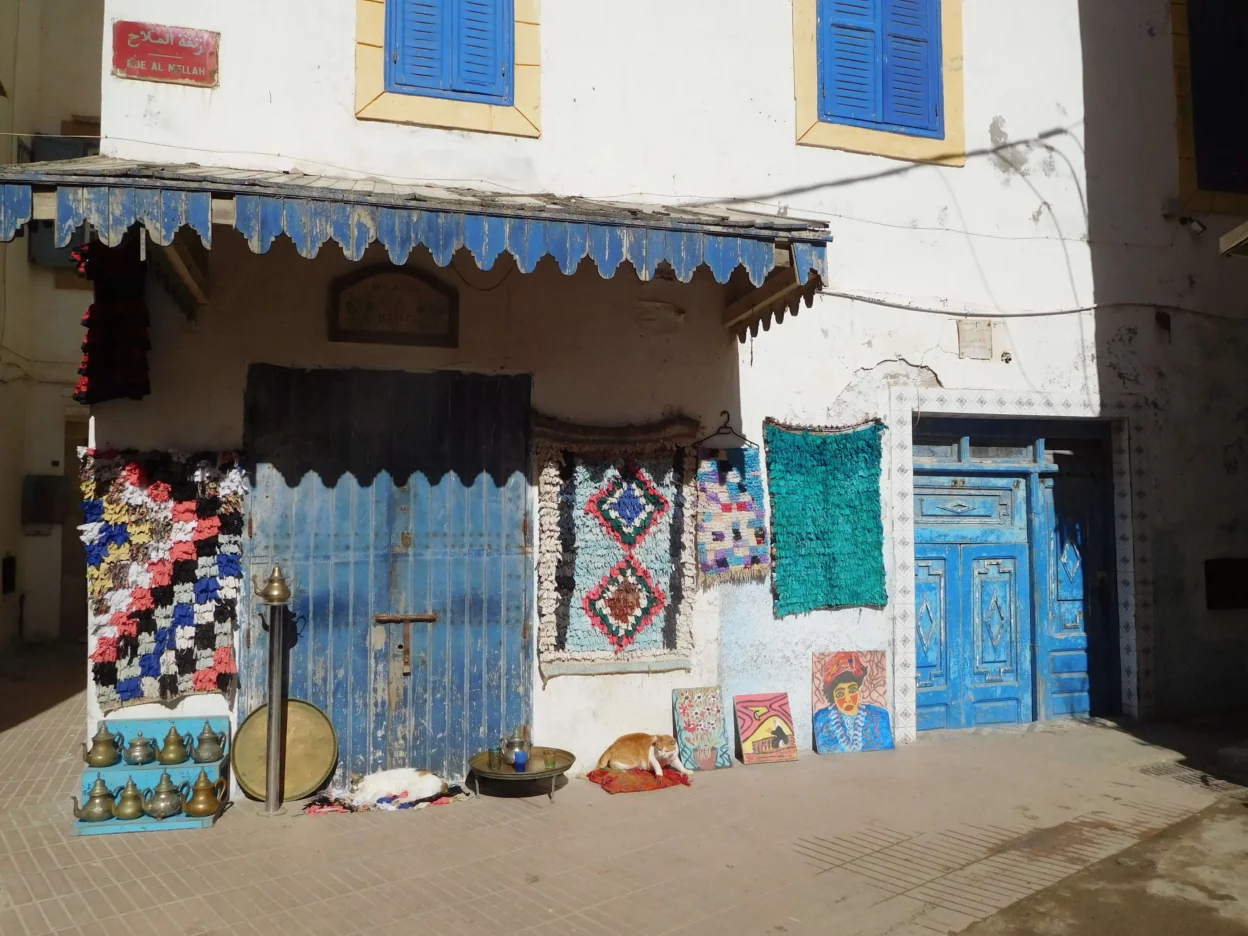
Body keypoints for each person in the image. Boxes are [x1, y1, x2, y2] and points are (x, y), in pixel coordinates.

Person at [813, 652, 894, 753]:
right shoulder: (821, 719)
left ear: (860, 690)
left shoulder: (879, 716)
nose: (848, 699)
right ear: (832, 697)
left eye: (852, 690)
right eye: (840, 694)